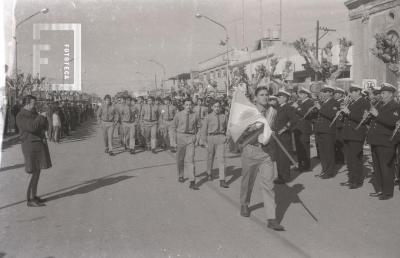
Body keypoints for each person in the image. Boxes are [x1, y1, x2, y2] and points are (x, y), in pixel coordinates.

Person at [239, 86, 284, 231]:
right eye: (262, 95)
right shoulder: (248, 112)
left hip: (266, 153)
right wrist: (252, 130)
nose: (265, 97)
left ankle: (271, 218)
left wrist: (271, 134)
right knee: (248, 181)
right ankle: (245, 204)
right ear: (256, 98)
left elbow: (274, 128)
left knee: (269, 185)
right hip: (251, 151)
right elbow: (240, 131)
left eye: (267, 95)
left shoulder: (273, 112)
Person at [16, 95, 52, 207]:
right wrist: (41, 117)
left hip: (38, 145)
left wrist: (44, 118)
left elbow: (43, 126)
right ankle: (29, 199)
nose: (35, 105)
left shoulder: (34, 113)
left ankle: (34, 195)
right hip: (30, 146)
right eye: (33, 103)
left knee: (37, 171)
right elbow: (32, 127)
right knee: (32, 171)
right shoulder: (21, 116)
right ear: (26, 104)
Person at [367, 83, 399, 200]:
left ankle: (387, 192)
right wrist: (369, 116)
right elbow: (375, 122)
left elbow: (392, 122)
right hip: (375, 140)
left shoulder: (395, 106)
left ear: (390, 94)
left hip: (386, 141)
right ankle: (380, 189)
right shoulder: (380, 105)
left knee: (386, 168)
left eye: (383, 93)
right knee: (377, 167)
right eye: (381, 93)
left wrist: (377, 115)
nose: (381, 95)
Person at [339, 84, 370, 189]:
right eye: (350, 92)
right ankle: (351, 179)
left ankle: (357, 181)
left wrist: (349, 113)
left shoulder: (364, 102)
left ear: (358, 92)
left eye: (352, 92)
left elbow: (364, 119)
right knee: (349, 159)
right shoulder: (352, 102)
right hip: (348, 134)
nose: (350, 94)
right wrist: (342, 113)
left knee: (356, 158)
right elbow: (346, 118)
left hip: (356, 134)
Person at [171, 98, 200, 190]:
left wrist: (197, 138)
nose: (188, 106)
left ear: (192, 105)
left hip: (191, 138)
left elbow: (199, 127)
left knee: (190, 160)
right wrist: (173, 141)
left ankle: (192, 181)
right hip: (180, 137)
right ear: (184, 105)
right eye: (186, 105)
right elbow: (173, 128)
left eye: (190, 105)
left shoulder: (195, 115)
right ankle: (181, 174)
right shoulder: (178, 115)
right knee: (180, 159)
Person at [201, 100, 229, 188]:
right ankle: (209, 173)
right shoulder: (208, 117)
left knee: (222, 159)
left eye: (218, 106)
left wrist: (227, 137)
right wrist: (204, 142)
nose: (217, 108)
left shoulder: (224, 117)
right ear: (212, 107)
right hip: (210, 138)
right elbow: (203, 130)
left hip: (221, 138)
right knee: (210, 157)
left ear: (220, 108)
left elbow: (228, 128)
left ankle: (222, 180)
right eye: (215, 106)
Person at [314, 85, 340, 179]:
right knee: (322, 152)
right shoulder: (323, 102)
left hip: (328, 131)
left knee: (329, 152)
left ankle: (330, 172)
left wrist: (320, 108)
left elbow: (332, 115)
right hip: (320, 130)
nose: (323, 94)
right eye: (323, 92)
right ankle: (324, 170)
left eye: (325, 92)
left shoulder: (335, 103)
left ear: (331, 93)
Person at [273, 89, 298, 184]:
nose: (278, 99)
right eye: (278, 97)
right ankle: (280, 176)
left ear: (285, 98)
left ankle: (285, 177)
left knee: (284, 157)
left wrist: (284, 128)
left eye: (279, 97)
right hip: (277, 136)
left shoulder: (288, 107)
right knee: (279, 158)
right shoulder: (278, 107)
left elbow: (294, 120)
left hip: (284, 136)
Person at [292, 87, 314, 172]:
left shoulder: (310, 102)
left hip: (304, 128)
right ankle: (301, 165)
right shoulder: (300, 102)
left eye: (301, 94)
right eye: (299, 94)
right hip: (298, 128)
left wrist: (297, 108)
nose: (299, 96)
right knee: (299, 147)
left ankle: (307, 166)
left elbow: (305, 114)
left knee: (305, 147)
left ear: (305, 94)